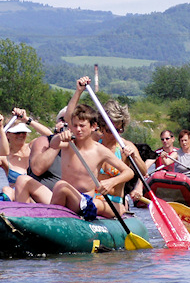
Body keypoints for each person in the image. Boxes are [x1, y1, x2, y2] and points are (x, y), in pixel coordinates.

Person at [63, 76, 147, 206]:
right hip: (91, 198)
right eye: (109, 130)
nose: (114, 135)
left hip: (114, 202)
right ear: (101, 127)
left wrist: (134, 156)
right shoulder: (94, 139)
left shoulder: (125, 146)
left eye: (118, 130)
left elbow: (143, 172)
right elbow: (69, 119)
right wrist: (78, 91)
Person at [49, 104, 135, 220]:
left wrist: (111, 182)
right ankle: (51, 220)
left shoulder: (100, 150)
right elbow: (53, 144)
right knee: (57, 186)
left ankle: (53, 219)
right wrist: (59, 136)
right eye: (75, 126)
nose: (78, 129)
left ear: (93, 126)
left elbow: (129, 172)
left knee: (61, 185)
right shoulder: (68, 144)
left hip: (86, 202)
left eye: (82, 126)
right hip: (67, 198)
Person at [0, 107, 52, 188]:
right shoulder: (2, 157)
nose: (21, 135)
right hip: (17, 197)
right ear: (7, 134)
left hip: (37, 196)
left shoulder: (33, 146)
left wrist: (27, 120)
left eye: (23, 132)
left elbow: (51, 136)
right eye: (17, 132)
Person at [26, 106, 68, 190]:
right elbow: (37, 169)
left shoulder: (80, 147)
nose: (66, 124)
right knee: (22, 180)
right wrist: (58, 141)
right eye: (62, 119)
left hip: (68, 195)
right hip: (42, 194)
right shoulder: (44, 141)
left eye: (70, 120)